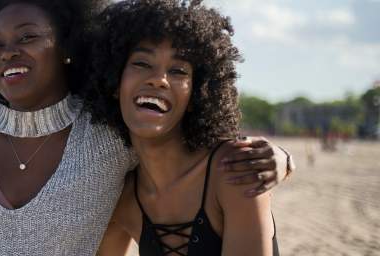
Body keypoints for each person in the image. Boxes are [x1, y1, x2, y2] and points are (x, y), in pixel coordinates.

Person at [0, 0, 293, 255]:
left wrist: (280, 158)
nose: (9, 53)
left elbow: (180, 141)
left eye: (27, 37)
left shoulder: (106, 136)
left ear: (68, 48)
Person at [88, 1, 280, 255]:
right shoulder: (123, 200)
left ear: (196, 95)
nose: (159, 79)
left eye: (178, 70)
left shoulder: (235, 170)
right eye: (142, 63)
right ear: (114, 82)